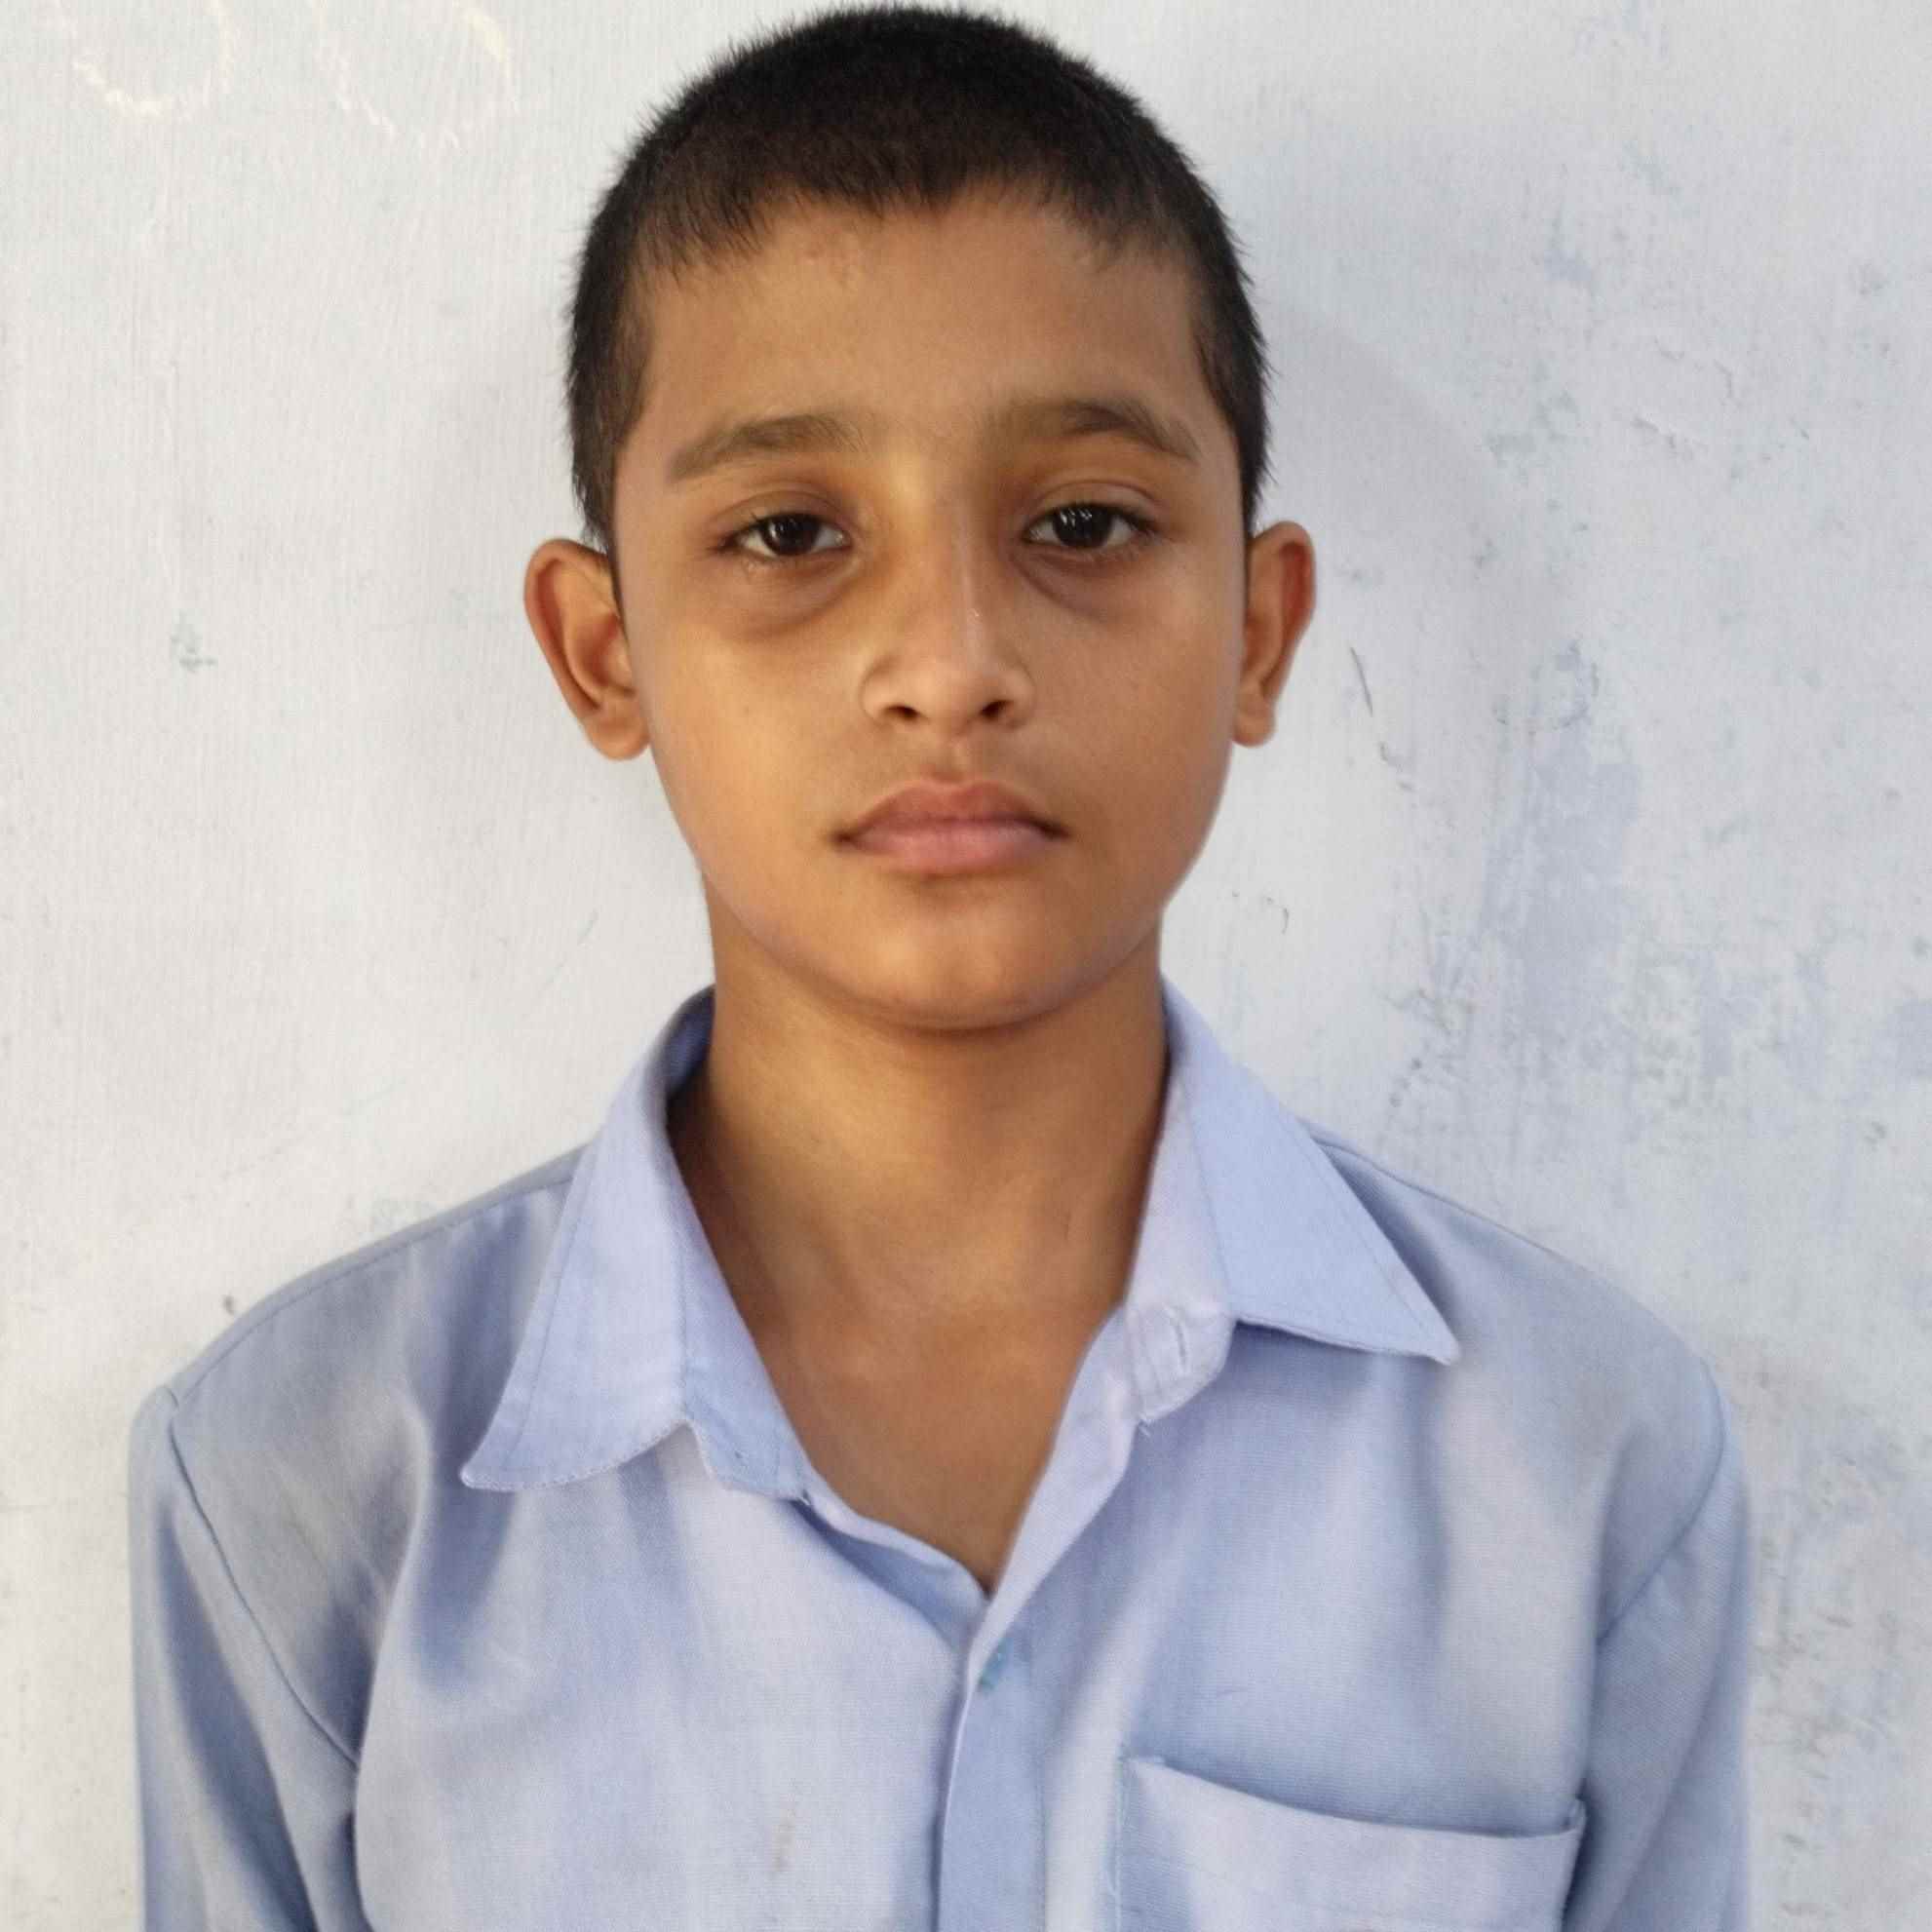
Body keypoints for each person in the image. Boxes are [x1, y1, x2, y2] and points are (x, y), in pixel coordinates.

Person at [126, 6, 1754, 1927]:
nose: (952, 659)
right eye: (788, 532)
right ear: (604, 653)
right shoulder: (309, 1480)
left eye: (1083, 522)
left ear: (1255, 629)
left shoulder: (1578, 1459)